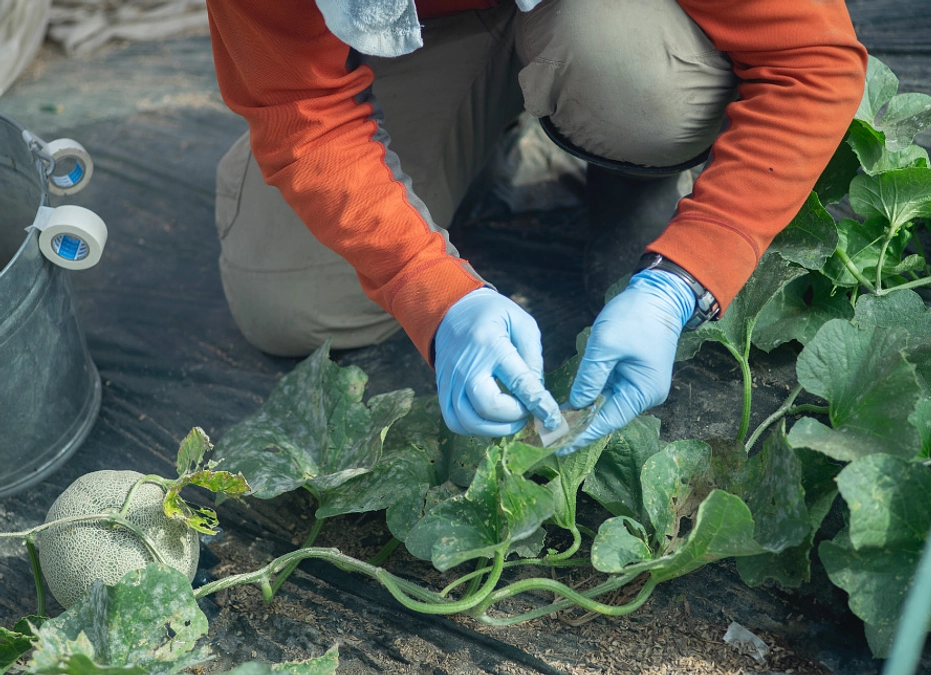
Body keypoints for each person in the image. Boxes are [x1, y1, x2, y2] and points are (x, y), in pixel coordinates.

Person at [204, 0, 867, 453]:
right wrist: (430, 288)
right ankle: (477, 140)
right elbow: (299, 109)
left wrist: (686, 273)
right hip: (409, 33)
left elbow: (812, 60)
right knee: (289, 302)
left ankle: (629, 163)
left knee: (645, 95)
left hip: (601, 23)